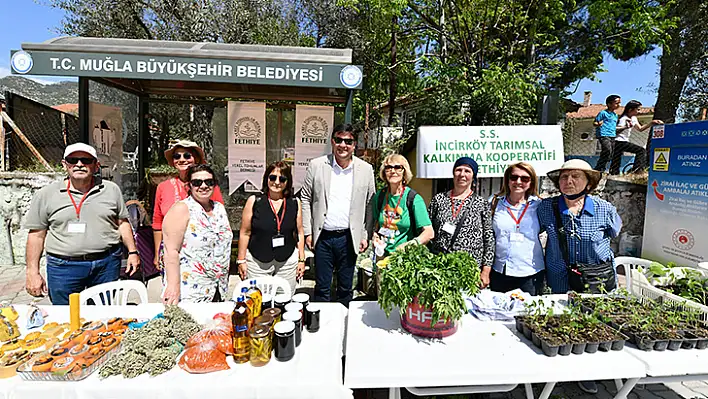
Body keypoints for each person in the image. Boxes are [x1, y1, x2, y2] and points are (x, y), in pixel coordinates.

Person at [539, 159, 621, 394]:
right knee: (562, 320)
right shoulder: (547, 208)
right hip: (560, 276)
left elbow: (616, 230)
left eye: (576, 176)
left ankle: (589, 372)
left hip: (595, 278)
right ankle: (561, 369)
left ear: (588, 182)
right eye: (564, 177)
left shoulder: (604, 209)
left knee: (594, 324)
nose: (569, 181)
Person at [24, 143, 140, 305]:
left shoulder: (110, 190)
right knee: (65, 317)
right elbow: (36, 235)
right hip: (63, 268)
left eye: (86, 160)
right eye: (73, 160)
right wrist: (32, 272)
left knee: (102, 317)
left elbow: (122, 222)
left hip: (106, 265)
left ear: (96, 165)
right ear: (65, 164)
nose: (79, 164)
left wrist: (133, 252)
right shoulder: (46, 195)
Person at [301, 124, 376, 306]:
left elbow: (370, 204)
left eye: (348, 141)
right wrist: (308, 232)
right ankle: (321, 327)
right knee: (322, 288)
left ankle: (344, 327)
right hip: (323, 237)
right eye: (339, 140)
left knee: (345, 288)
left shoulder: (365, 169)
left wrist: (364, 234)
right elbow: (305, 198)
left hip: (348, 238)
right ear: (332, 141)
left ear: (354, 145)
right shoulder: (317, 165)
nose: (343, 145)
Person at [161, 164, 233, 304]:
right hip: (191, 291)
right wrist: (173, 287)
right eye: (197, 182)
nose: (204, 186)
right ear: (189, 186)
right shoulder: (181, 209)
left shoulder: (219, 208)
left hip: (217, 288)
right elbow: (171, 252)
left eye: (209, 182)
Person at [152, 140, 224, 270]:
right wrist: (158, 253)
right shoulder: (163, 187)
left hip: (202, 255)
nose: (182, 159)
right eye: (177, 156)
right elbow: (158, 224)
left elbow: (219, 219)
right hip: (170, 252)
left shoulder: (208, 186)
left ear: (195, 159)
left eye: (187, 155)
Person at [237, 161, 305, 293]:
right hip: (258, 261)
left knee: (284, 300)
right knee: (258, 300)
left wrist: (301, 259)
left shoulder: (294, 203)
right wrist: (241, 260)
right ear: (266, 178)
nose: (277, 182)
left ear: (287, 182)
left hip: (286, 261)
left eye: (282, 179)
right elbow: (245, 233)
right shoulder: (254, 201)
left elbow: (300, 233)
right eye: (272, 177)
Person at [428, 157, 495, 288]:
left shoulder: (481, 203)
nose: (462, 174)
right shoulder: (439, 200)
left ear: (473, 176)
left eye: (467, 171)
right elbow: (428, 231)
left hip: (469, 270)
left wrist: (486, 271)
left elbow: (489, 239)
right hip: (441, 267)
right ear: (453, 173)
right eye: (458, 170)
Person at [489, 163, 545, 295]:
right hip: (500, 270)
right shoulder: (494, 203)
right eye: (514, 177)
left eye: (524, 179)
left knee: (528, 314)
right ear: (507, 180)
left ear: (531, 183)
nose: (518, 182)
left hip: (530, 272)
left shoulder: (540, 205)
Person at [371, 154, 434, 256]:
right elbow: (376, 225)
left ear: (404, 172)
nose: (392, 171)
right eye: (388, 167)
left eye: (398, 167)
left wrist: (408, 246)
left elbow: (429, 233)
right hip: (382, 256)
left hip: (404, 259)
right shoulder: (380, 196)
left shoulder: (413, 199)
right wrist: (375, 237)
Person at [609, 100, 664, 175]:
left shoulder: (633, 118)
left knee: (617, 158)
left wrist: (651, 123)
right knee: (641, 151)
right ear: (630, 110)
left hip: (624, 140)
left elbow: (640, 129)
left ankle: (615, 172)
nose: (639, 111)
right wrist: (625, 126)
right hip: (619, 141)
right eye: (638, 109)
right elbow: (616, 130)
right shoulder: (624, 119)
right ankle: (637, 170)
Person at [593, 94, 622, 172]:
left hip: (612, 135)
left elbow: (613, 126)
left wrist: (625, 127)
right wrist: (598, 124)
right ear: (609, 104)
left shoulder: (615, 115)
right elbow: (595, 123)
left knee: (610, 153)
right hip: (603, 134)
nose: (618, 105)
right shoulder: (603, 113)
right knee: (607, 150)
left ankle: (601, 168)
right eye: (616, 103)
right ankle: (599, 168)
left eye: (619, 103)